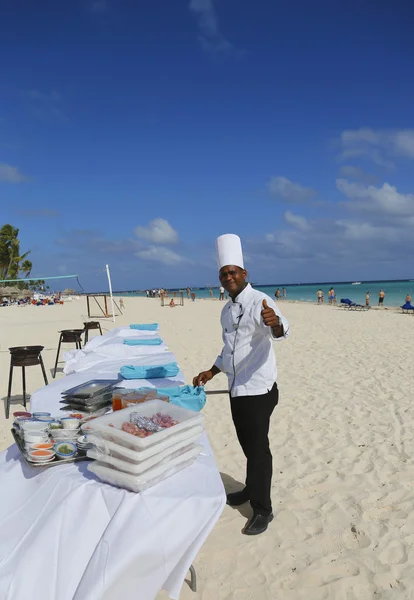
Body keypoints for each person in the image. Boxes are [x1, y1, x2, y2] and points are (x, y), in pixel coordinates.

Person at [193, 233, 290, 536]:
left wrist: (275, 323)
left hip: (259, 390)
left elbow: (281, 330)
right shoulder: (226, 309)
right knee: (249, 446)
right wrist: (211, 371)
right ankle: (250, 489)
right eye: (224, 273)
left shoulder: (261, 300)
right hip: (236, 389)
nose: (229, 276)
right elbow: (229, 350)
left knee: (259, 450)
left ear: (244, 274)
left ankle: (263, 510)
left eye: (233, 271)